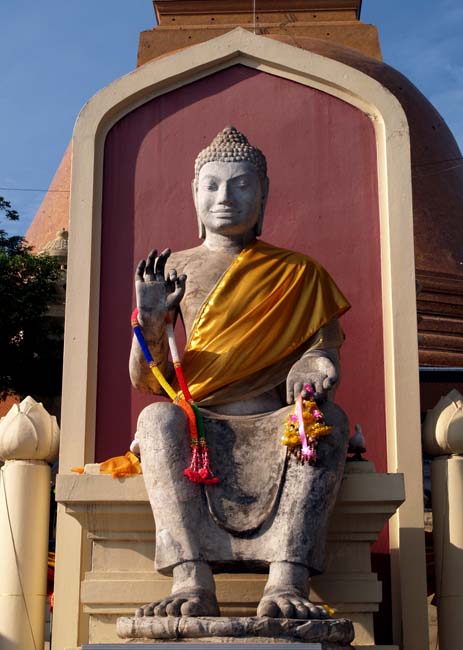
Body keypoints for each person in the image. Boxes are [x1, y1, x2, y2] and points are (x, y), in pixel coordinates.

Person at [130, 126, 350, 620]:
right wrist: (151, 321)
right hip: (199, 419)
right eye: (211, 185)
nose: (224, 197)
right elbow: (146, 380)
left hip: (274, 415)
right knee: (156, 419)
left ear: (264, 193)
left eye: (241, 184)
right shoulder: (173, 269)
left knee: (326, 423)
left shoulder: (300, 273)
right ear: (194, 194)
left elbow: (324, 351)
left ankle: (287, 578)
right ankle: (191, 577)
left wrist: (314, 366)